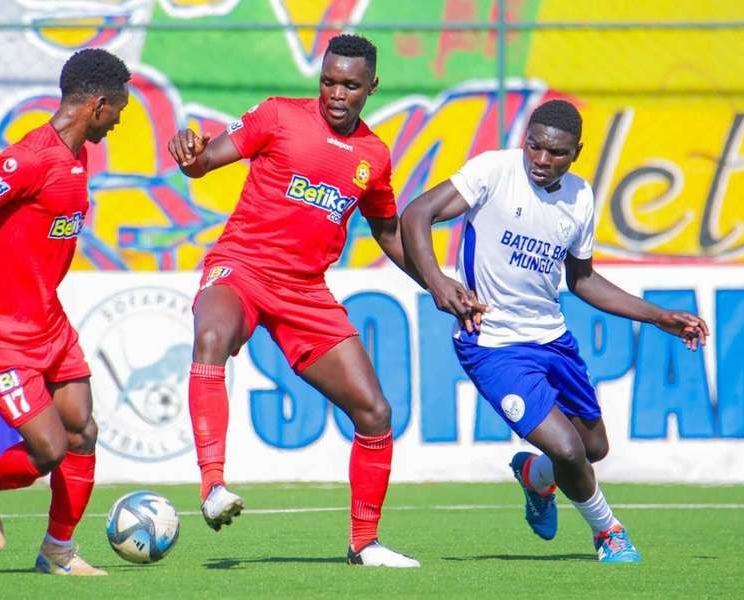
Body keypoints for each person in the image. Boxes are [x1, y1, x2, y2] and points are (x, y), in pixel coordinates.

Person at [400, 99, 709, 563]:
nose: (541, 160)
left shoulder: (580, 197)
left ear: (576, 152)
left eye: (557, 152)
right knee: (566, 448)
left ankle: (534, 476)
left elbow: (582, 279)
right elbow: (415, 214)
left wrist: (658, 316)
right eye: (535, 146)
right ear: (525, 139)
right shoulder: (493, 171)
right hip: (492, 343)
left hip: (551, 338)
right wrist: (439, 282)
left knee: (591, 448)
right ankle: (608, 533)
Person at [166, 34, 420, 568]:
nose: (336, 94)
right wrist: (190, 154)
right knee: (210, 337)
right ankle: (213, 486)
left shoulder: (374, 156)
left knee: (374, 412)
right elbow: (204, 161)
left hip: (305, 292)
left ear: (372, 86)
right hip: (242, 268)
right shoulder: (278, 116)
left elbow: (387, 230)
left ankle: (364, 544)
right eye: (328, 81)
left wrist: (439, 285)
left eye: (350, 85)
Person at [0, 48, 131, 576]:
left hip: (49, 323)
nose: (117, 123)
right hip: (0, 333)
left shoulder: (79, 157)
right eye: (118, 111)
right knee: (48, 450)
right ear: (98, 104)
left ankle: (58, 551)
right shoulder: (29, 158)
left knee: (83, 431)